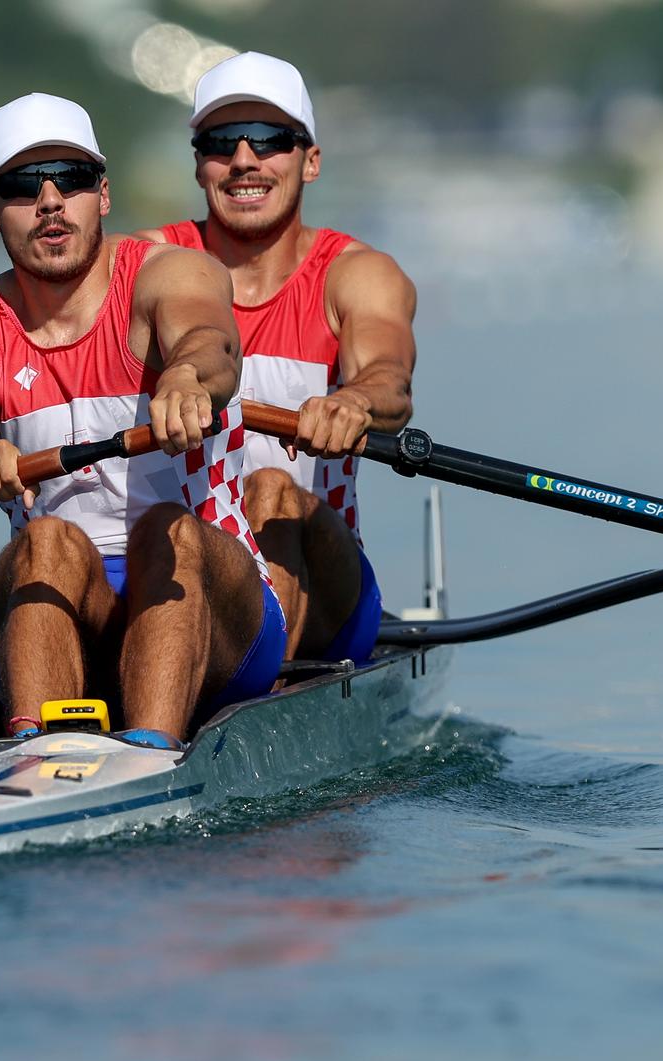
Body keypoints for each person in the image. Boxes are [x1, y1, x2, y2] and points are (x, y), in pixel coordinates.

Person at [0, 92, 287, 748]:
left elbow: (210, 341)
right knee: (46, 539)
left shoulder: (170, 273)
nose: (51, 200)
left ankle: (152, 752)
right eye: (23, 186)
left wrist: (187, 377)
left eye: (72, 179)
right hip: (65, 605)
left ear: (102, 196)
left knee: (167, 530)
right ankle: (35, 756)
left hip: (220, 614)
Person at [136, 52, 418, 666]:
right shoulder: (145, 265)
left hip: (326, 590)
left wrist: (353, 401)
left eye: (270, 141)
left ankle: (256, 682)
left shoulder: (355, 275)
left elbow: (390, 381)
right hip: (190, 579)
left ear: (310, 161)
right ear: (199, 165)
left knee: (271, 489)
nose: (244, 161)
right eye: (220, 143)